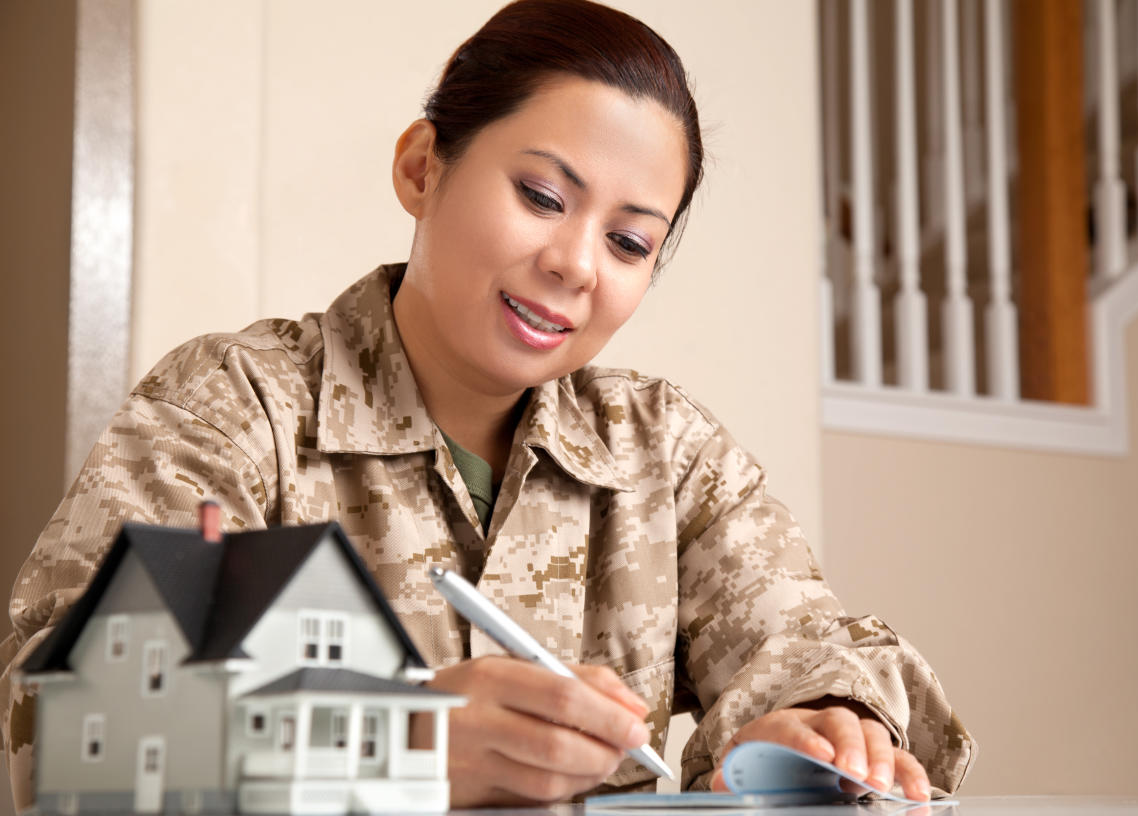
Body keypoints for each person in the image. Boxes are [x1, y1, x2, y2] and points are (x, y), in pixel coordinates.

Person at [1, 0, 974, 808]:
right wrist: (396, 746)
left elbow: (803, 645)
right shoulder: (236, 404)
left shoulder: (666, 454)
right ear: (422, 167)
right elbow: (60, 724)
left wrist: (824, 726)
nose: (574, 264)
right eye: (543, 196)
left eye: (630, 243)